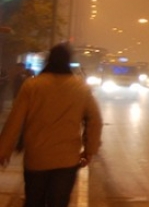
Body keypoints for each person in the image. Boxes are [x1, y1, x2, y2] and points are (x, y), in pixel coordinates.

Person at [0, 44, 103, 207]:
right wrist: (89, 150)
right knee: (59, 202)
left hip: (36, 158)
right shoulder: (80, 88)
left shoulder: (32, 86)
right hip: (67, 160)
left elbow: (15, 120)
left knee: (34, 201)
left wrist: (3, 150)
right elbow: (95, 121)